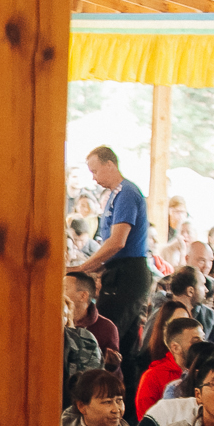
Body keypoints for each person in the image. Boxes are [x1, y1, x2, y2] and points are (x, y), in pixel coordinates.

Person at [74, 145, 155, 358]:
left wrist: (83, 267)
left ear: (110, 165)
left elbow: (118, 242)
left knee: (106, 339)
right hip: (119, 270)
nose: (94, 178)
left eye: (95, 171)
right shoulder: (115, 195)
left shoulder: (126, 193)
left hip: (128, 273)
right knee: (124, 347)